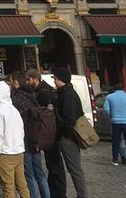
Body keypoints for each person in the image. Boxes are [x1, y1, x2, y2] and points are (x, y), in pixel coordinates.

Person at [46, 68, 88, 198]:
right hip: (65, 136)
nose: (54, 82)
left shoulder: (68, 94)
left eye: (56, 79)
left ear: (61, 79)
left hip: (68, 137)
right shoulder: (63, 92)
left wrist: (65, 133)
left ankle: (82, 195)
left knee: (74, 168)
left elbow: (69, 117)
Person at [12, 70, 50, 198]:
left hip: (25, 140)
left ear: (16, 83)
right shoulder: (33, 95)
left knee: (29, 175)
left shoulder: (16, 99)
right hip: (36, 138)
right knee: (40, 172)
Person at [0, 81, 30, 198]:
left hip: (5, 153)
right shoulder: (14, 110)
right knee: (22, 185)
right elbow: (21, 131)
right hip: (18, 151)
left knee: (8, 186)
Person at [102, 84, 126, 166]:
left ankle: (115, 159)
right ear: (123, 89)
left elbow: (106, 108)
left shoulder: (109, 97)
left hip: (115, 122)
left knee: (116, 141)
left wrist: (112, 115)